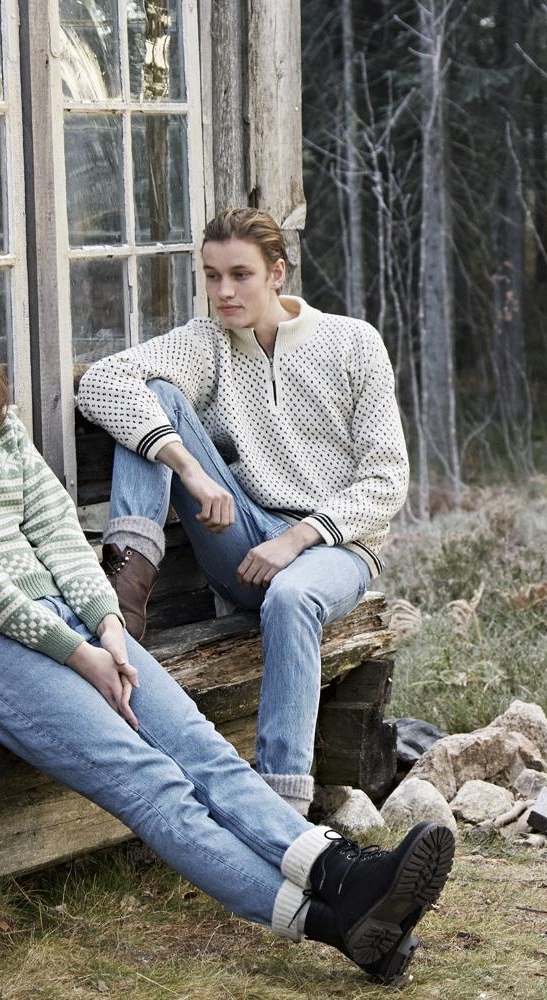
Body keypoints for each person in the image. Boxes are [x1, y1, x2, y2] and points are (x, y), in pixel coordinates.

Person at [0, 257, 449, 986]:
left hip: (73, 623)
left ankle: (343, 873)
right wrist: (78, 653)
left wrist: (104, 624)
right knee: (151, 783)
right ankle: (334, 921)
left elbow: (57, 530)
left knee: (201, 749)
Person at [75, 208, 406, 818]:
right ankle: (123, 599)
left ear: (276, 273)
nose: (224, 292)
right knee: (155, 396)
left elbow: (387, 479)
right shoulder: (209, 343)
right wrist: (190, 468)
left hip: (336, 548)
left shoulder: (353, 342)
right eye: (211, 275)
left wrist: (301, 538)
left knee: (292, 597)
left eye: (240, 275)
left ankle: (282, 806)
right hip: (244, 540)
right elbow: (103, 382)